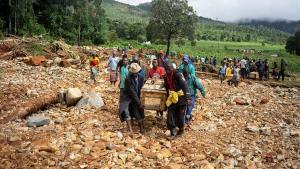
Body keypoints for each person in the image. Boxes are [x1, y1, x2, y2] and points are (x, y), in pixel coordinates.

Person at [164, 61, 191, 139]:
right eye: (166, 70)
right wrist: (167, 97)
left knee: (180, 115)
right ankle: (173, 131)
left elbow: (184, 85)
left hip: (181, 97)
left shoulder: (178, 74)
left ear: (172, 68)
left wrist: (188, 98)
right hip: (172, 97)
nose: (168, 71)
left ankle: (181, 130)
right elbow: (166, 86)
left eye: (169, 69)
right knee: (170, 114)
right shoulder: (166, 76)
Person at [119, 63, 145, 134]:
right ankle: (130, 130)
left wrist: (141, 100)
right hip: (127, 97)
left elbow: (142, 88)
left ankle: (141, 127)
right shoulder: (128, 79)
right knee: (127, 112)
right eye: (133, 73)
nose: (135, 74)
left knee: (140, 112)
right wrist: (139, 102)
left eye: (136, 72)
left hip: (137, 96)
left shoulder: (141, 77)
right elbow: (132, 92)